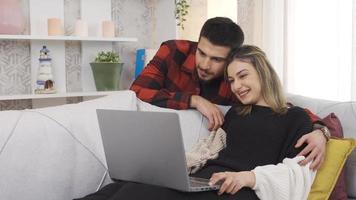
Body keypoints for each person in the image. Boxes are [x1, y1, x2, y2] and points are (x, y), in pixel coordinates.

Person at [76, 45, 315, 200]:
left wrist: (247, 177)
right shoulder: (236, 113)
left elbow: (298, 171)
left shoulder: (296, 118)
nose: (237, 87)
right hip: (208, 180)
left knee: (142, 192)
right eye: (232, 80)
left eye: (243, 76)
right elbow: (211, 151)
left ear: (264, 73)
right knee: (125, 187)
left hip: (240, 189)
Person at [130, 17, 327, 170]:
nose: (205, 65)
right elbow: (137, 91)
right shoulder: (173, 50)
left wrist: (321, 131)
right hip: (154, 148)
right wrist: (194, 100)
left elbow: (280, 109)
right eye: (202, 53)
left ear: (231, 59)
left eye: (216, 59)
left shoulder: (235, 83)